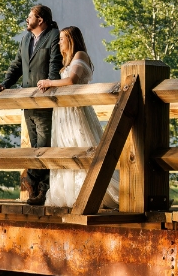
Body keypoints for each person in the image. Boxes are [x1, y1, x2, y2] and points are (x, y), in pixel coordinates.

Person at [37, 25, 119, 210]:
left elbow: (72, 80)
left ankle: (88, 193)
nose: (59, 42)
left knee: (80, 144)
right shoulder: (67, 60)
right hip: (63, 112)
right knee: (64, 147)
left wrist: (49, 82)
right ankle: (69, 193)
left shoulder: (80, 55)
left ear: (71, 40)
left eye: (62, 38)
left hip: (75, 111)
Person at [0, 4, 62, 205]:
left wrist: (50, 85)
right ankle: (35, 188)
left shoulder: (54, 36)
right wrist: (5, 84)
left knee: (44, 146)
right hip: (27, 101)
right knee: (35, 147)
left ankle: (41, 187)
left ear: (40, 20)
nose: (26, 19)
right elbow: (17, 65)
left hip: (45, 100)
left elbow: (54, 65)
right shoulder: (25, 39)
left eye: (29, 16)